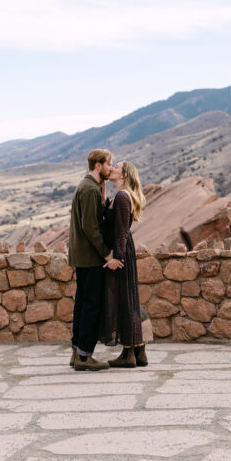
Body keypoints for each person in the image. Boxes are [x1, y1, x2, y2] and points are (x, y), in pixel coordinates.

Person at [68, 149, 122, 370]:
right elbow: (90, 227)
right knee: (92, 305)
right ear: (98, 166)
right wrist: (107, 253)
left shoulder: (90, 186)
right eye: (109, 164)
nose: (111, 168)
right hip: (90, 258)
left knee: (82, 304)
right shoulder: (89, 189)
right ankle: (84, 356)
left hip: (82, 257)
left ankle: (76, 352)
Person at [99, 160, 148, 368]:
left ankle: (128, 353)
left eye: (117, 167)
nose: (112, 169)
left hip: (121, 253)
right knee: (129, 299)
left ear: (125, 175)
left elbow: (121, 230)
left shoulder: (122, 196)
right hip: (124, 250)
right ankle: (139, 350)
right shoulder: (121, 195)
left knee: (124, 300)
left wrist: (116, 258)